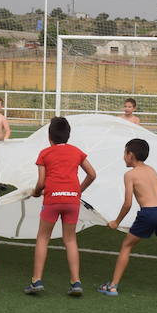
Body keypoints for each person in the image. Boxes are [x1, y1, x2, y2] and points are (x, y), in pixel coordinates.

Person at [26, 116, 96, 296]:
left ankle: (36, 280)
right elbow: (92, 174)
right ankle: (76, 281)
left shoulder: (45, 153)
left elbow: (41, 182)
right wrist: (78, 191)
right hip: (72, 200)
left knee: (43, 238)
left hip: (52, 199)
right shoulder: (76, 152)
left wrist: (35, 192)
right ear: (68, 135)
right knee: (70, 240)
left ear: (49, 136)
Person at [103, 138, 157, 297]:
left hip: (148, 213)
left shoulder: (130, 175)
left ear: (130, 155)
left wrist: (116, 222)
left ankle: (113, 286)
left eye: (124, 153)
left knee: (127, 246)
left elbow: (128, 203)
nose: (123, 157)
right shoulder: (152, 170)